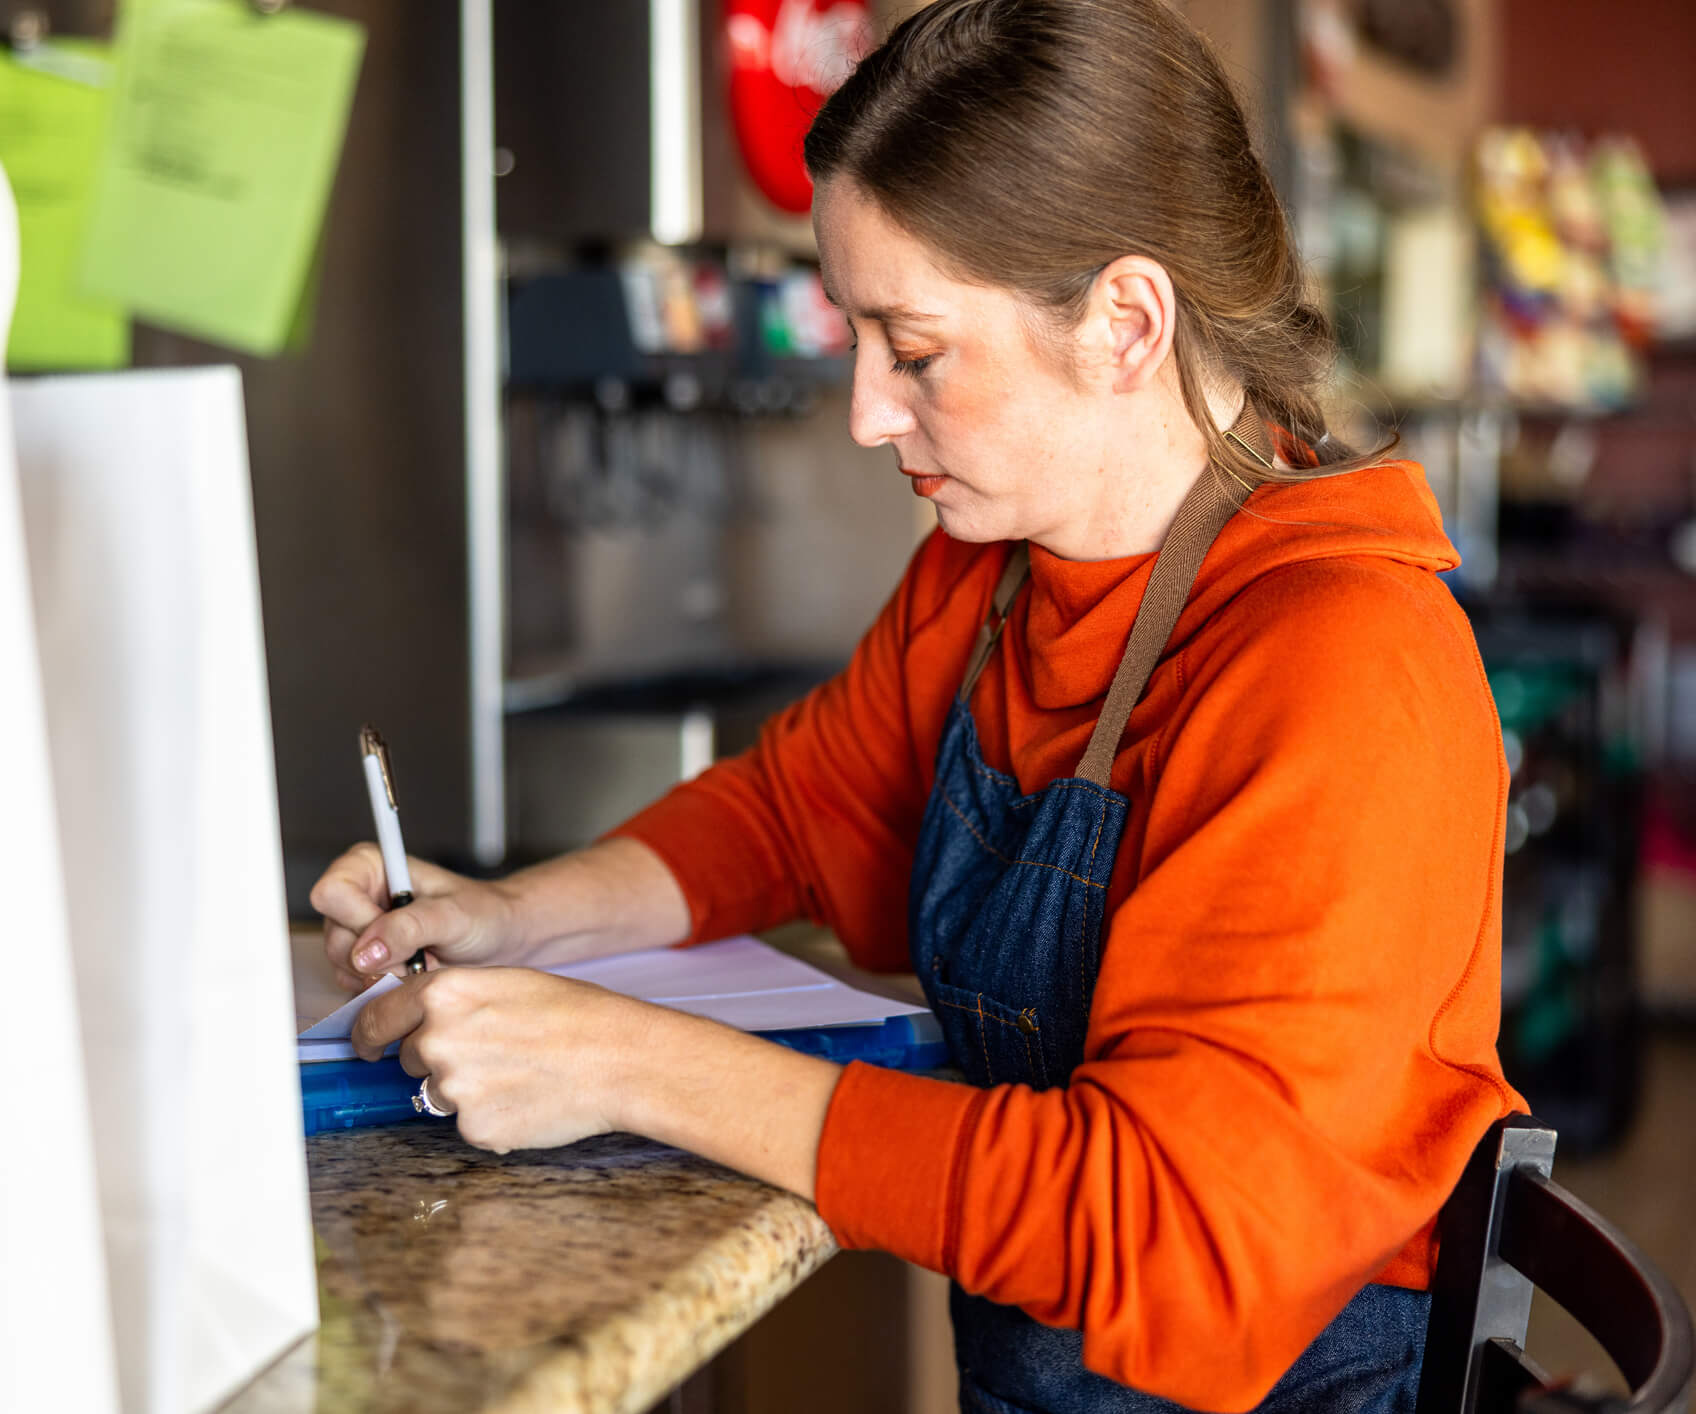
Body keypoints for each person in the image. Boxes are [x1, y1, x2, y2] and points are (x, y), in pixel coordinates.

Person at [311, 1, 1522, 1408]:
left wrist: (630, 1065)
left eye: (916, 348)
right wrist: (519, 913)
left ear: (1126, 321)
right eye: (858, 340)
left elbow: (1164, 1225)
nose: (867, 413)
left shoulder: (1342, 672)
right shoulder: (997, 579)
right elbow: (794, 812)